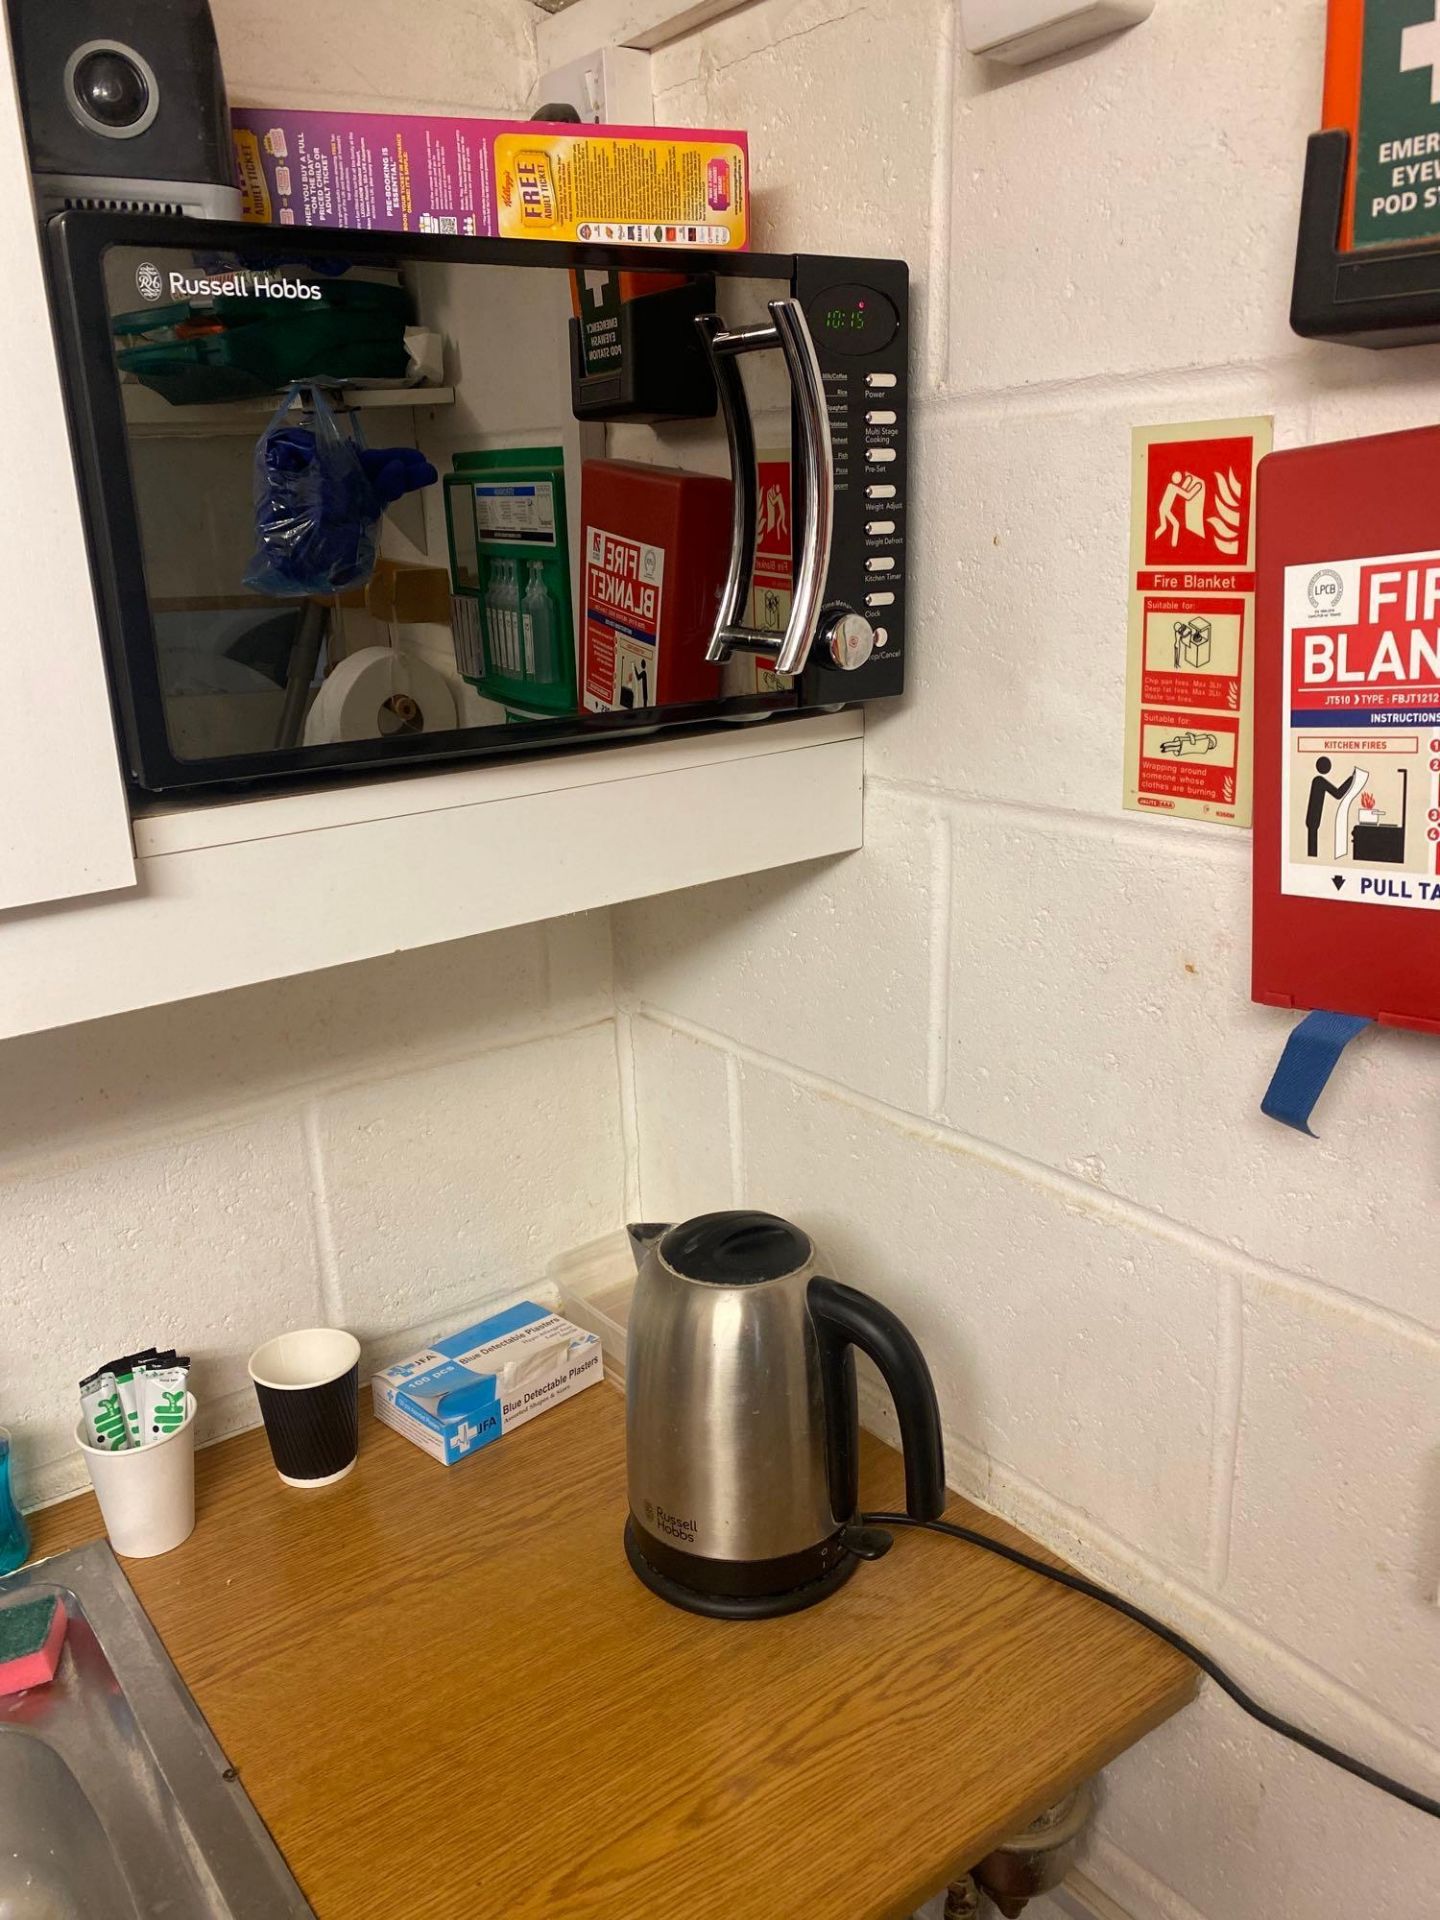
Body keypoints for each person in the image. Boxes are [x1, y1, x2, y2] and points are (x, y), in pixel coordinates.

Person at [1305, 756, 1349, 858]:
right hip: (1313, 821)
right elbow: (1338, 794)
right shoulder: (1319, 780)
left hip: (1313, 821)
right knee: (1312, 849)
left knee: (1312, 844)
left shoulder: (1317, 780)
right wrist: (1351, 780)